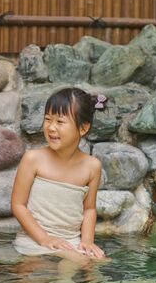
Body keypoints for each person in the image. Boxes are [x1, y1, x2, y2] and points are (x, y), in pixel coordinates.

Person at [11, 87, 107, 263]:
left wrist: (87, 241)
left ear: (83, 128)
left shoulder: (92, 166)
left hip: (71, 241)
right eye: (47, 119)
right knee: (75, 262)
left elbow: (89, 209)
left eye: (60, 122)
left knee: (100, 262)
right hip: (34, 239)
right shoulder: (33, 159)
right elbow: (18, 205)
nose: (51, 127)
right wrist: (44, 239)